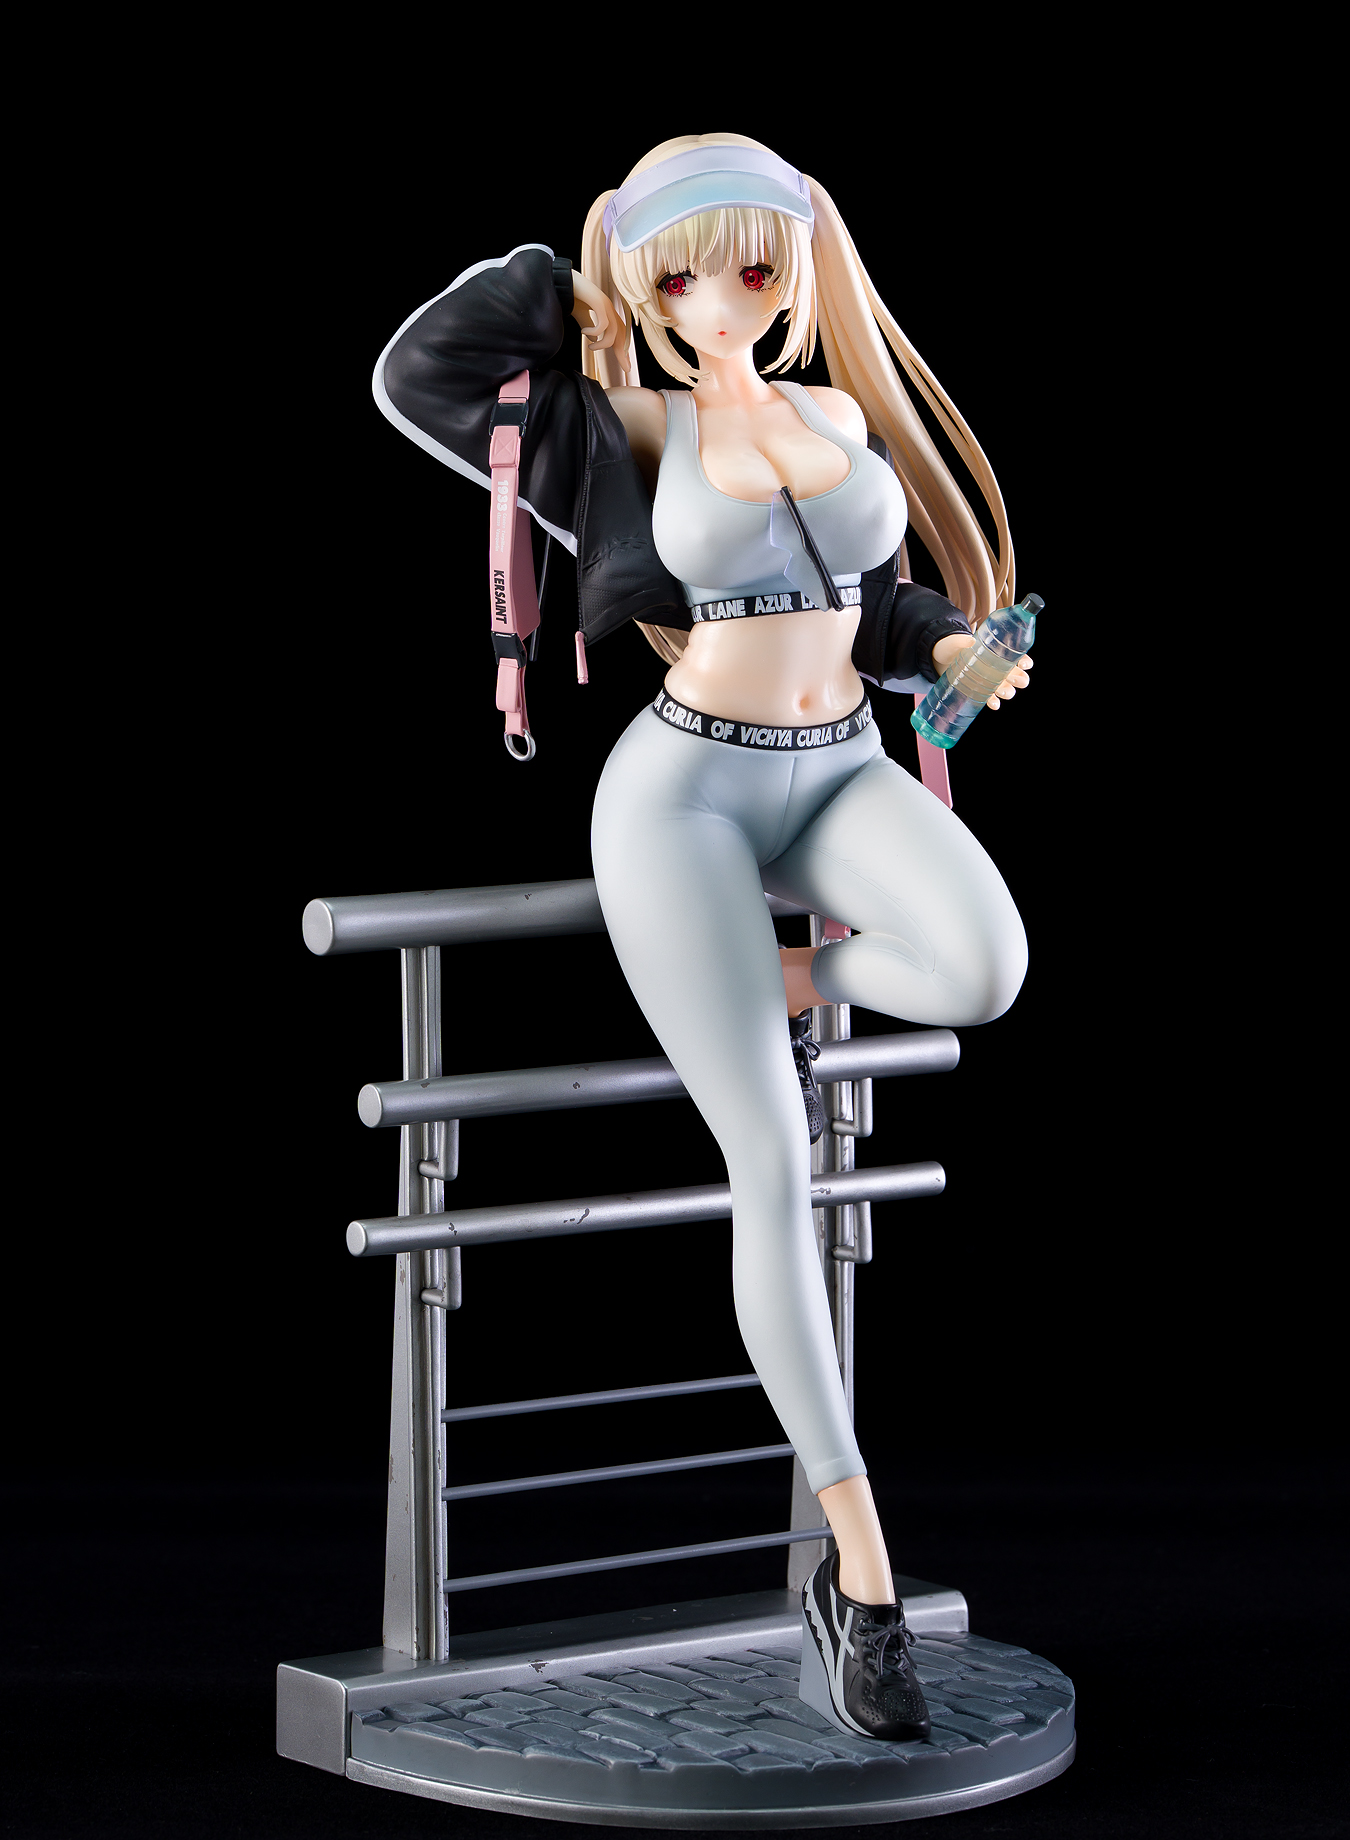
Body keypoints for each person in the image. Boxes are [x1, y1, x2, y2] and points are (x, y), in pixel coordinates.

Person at [373, 134, 1033, 1742]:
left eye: (747, 267)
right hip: (687, 797)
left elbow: (861, 603)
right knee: (774, 1164)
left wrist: (949, 644)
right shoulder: (623, 426)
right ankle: (859, 1575)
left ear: (799, 265)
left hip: (842, 769)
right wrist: (586, 263)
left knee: (984, 966)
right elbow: (419, 370)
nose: (717, 303)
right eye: (681, 278)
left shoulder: (834, 418)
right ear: (643, 286)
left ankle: (785, 976)